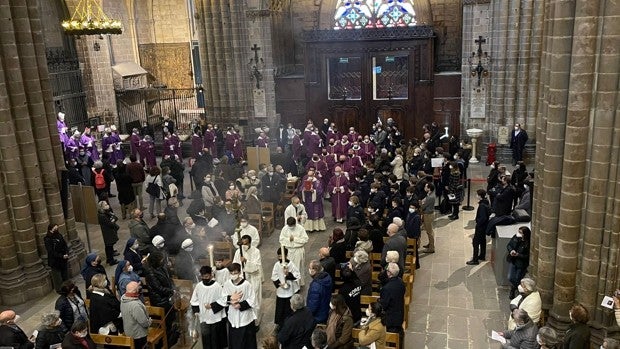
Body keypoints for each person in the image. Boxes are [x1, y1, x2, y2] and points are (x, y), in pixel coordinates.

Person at [190, 266, 228, 349]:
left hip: (215, 316)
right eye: (202, 277)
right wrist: (196, 311)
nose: (204, 278)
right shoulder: (199, 286)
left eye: (206, 276)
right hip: (204, 315)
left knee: (215, 338)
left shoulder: (217, 286)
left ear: (211, 275)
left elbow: (224, 300)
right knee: (205, 336)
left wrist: (212, 305)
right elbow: (194, 300)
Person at [223, 263, 258, 349]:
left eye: (235, 273)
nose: (233, 275)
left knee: (247, 342)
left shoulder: (247, 285)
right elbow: (222, 297)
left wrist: (241, 305)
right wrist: (230, 299)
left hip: (245, 317)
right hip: (233, 317)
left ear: (239, 272)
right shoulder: (227, 284)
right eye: (231, 273)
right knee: (235, 342)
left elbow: (253, 299)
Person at [144, 250, 177, 340]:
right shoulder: (150, 272)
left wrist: (173, 287)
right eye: (161, 260)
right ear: (156, 261)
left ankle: (170, 334)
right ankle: (167, 338)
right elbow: (158, 288)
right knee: (167, 319)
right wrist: (171, 291)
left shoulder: (161, 267)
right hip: (160, 300)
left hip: (167, 296)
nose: (163, 261)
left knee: (171, 317)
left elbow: (168, 278)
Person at [233, 235, 263, 326]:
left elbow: (257, 266)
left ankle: (255, 322)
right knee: (243, 299)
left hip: (253, 278)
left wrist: (246, 261)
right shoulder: (238, 251)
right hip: (242, 278)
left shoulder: (256, 251)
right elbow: (235, 264)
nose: (244, 245)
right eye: (243, 243)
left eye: (246, 243)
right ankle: (245, 320)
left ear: (249, 242)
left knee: (254, 299)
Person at [272, 246, 302, 327]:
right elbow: (274, 276)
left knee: (289, 308)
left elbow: (297, 275)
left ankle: (290, 322)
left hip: (289, 290)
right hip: (281, 291)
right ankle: (280, 323)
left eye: (281, 256)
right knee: (281, 308)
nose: (280, 258)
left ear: (286, 256)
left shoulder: (291, 264)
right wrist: (279, 284)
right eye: (278, 256)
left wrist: (288, 274)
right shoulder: (277, 265)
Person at [120, 281, 152, 349]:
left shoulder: (123, 298)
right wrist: (149, 321)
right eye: (138, 288)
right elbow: (144, 323)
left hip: (128, 332)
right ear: (135, 291)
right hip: (138, 335)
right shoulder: (135, 305)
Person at [280, 217, 309, 286]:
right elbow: (281, 239)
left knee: (297, 267)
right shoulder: (285, 229)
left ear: (295, 224)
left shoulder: (300, 228)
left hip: (298, 250)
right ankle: (290, 284)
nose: (290, 227)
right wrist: (289, 239)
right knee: (289, 268)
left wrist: (294, 239)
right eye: (289, 226)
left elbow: (305, 239)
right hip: (289, 251)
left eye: (292, 226)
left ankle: (297, 285)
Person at [380, 263, 405, 342]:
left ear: (389, 273)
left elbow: (384, 304)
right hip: (399, 314)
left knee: (391, 339)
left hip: (391, 319)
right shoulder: (401, 282)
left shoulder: (386, 288)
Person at [467, 189, 491, 265]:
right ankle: (482, 255)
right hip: (484, 226)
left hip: (481, 227)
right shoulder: (486, 203)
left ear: (480, 196)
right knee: (482, 241)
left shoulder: (482, 206)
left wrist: (478, 223)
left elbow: (483, 218)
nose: (476, 196)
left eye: (477, 194)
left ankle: (475, 259)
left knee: (475, 242)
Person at [44, 223, 69, 292]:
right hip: (55, 261)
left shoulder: (59, 235)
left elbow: (64, 244)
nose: (56, 230)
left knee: (65, 275)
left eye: (57, 228)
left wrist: (66, 253)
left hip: (63, 260)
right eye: (55, 229)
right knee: (57, 278)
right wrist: (61, 256)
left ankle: (67, 287)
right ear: (50, 230)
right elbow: (51, 252)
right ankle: (60, 290)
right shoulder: (47, 239)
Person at [506, 226, 531, 298]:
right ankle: (517, 288)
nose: (518, 233)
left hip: (521, 264)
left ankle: (513, 290)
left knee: (517, 278)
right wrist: (511, 251)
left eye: (520, 232)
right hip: (513, 260)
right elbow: (509, 245)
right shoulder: (516, 238)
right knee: (510, 277)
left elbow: (527, 256)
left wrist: (518, 255)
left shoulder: (528, 243)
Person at [307, 260, 333, 324]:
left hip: (317, 316)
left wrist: (308, 315)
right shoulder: (327, 277)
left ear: (314, 270)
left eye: (310, 268)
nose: (309, 270)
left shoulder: (315, 286)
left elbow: (313, 305)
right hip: (325, 309)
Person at [97, 201, 120, 266]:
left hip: (110, 231)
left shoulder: (106, 212)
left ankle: (110, 257)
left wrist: (112, 219)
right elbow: (110, 223)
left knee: (110, 245)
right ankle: (111, 260)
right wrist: (112, 220)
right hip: (107, 232)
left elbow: (114, 217)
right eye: (105, 205)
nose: (107, 205)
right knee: (109, 246)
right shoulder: (102, 215)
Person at [420, 183, 436, 253]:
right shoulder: (430, 194)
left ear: (429, 188)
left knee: (429, 232)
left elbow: (423, 206)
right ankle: (430, 244)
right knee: (429, 231)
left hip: (428, 215)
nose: (424, 187)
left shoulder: (430, 197)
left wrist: (421, 203)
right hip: (428, 214)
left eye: (426, 187)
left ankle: (431, 248)